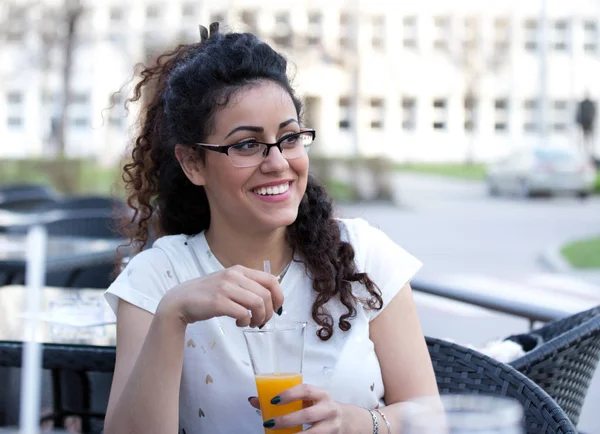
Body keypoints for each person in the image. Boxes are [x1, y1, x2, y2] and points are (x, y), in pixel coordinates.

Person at [103, 23, 438, 434]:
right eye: (247, 144)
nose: (278, 162)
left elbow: (430, 417)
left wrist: (358, 422)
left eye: (290, 137)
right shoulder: (158, 279)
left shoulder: (364, 254)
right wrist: (173, 316)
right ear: (193, 163)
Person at [575, 92, 596, 158]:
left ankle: (591, 149)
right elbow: (579, 112)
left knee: (590, 136)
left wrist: (592, 119)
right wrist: (578, 121)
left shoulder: (591, 103)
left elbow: (593, 112)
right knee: (584, 136)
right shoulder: (582, 103)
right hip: (584, 121)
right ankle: (584, 149)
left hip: (589, 121)